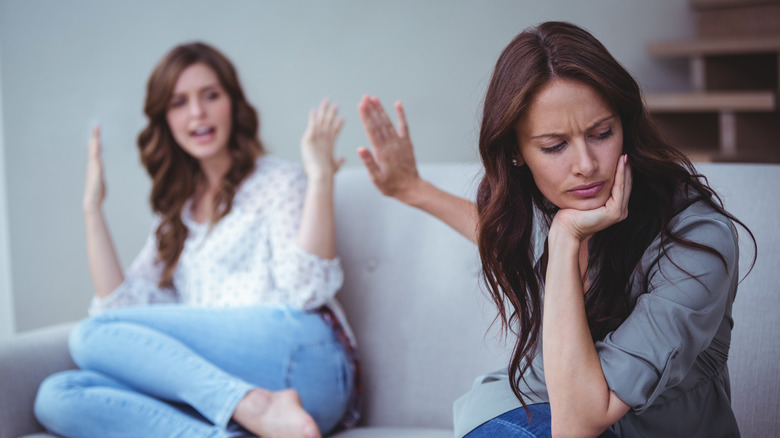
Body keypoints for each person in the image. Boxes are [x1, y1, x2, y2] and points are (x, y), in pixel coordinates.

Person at [356, 21, 755, 438]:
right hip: (529, 407)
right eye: (554, 146)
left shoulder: (696, 239)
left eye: (601, 133)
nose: (585, 163)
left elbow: (577, 423)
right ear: (516, 152)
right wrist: (413, 190)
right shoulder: (548, 204)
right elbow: (498, 232)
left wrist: (564, 240)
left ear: (626, 125)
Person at [34, 42, 358, 438]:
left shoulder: (278, 181)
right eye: (179, 102)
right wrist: (91, 210)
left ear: (233, 104)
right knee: (57, 395)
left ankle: (251, 405)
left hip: (305, 363)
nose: (198, 113)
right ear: (165, 119)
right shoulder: (177, 216)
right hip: (236, 387)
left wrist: (320, 178)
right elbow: (121, 308)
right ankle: (231, 424)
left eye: (210, 96)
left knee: (89, 334)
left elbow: (307, 291)